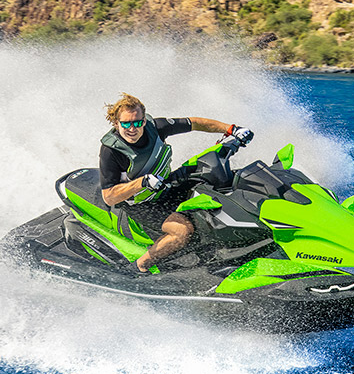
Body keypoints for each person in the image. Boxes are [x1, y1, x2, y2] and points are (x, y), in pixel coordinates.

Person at [99, 93, 252, 273]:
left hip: (165, 185)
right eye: (126, 124)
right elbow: (108, 197)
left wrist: (231, 129)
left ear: (144, 121)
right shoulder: (111, 151)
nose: (132, 128)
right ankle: (141, 266)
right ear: (116, 123)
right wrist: (142, 182)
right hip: (141, 204)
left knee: (215, 178)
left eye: (137, 122)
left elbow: (194, 123)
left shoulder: (156, 127)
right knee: (182, 231)